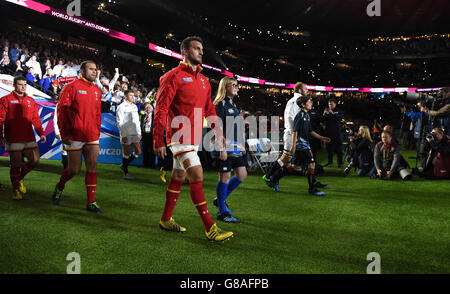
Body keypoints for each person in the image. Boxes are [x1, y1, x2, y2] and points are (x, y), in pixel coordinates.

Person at [153, 36, 233, 242]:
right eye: (197, 48)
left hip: (194, 138)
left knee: (178, 177)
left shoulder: (205, 81)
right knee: (197, 175)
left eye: (202, 49)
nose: (201, 52)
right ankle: (210, 228)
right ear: (185, 52)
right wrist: (158, 140)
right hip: (178, 137)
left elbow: (210, 110)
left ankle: (165, 219)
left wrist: (219, 134)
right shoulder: (172, 76)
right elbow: (160, 109)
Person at [51, 60, 104, 213]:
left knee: (92, 167)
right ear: (82, 71)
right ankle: (60, 186)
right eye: (91, 69)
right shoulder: (71, 87)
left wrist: (97, 129)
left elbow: (97, 113)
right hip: (74, 135)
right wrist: (64, 133)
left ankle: (91, 202)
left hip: (92, 135)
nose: (94, 72)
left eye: (96, 69)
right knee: (73, 170)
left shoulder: (96, 90)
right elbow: (61, 111)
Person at [0, 76, 46, 200]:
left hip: (29, 136)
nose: (23, 87)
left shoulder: (31, 100)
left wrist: (41, 132)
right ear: (14, 85)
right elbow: (0, 119)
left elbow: (35, 118)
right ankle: (15, 190)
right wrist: (1, 136)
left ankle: (18, 179)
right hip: (13, 137)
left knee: (35, 160)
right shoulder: (5, 99)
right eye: (20, 84)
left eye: (25, 85)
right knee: (15, 164)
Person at [262, 82, 310, 191]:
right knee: (287, 158)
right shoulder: (294, 102)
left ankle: (273, 177)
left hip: (294, 134)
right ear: (299, 91)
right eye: (305, 89)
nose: (307, 90)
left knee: (291, 161)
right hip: (292, 134)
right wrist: (295, 133)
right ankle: (269, 176)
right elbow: (290, 118)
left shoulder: (298, 102)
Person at [212, 76, 247, 223]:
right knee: (224, 177)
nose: (236, 88)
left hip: (235, 146)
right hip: (223, 146)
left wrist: (242, 144)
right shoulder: (219, 104)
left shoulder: (233, 105)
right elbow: (216, 127)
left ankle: (220, 199)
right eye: (233, 85)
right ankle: (222, 212)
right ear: (224, 87)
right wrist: (222, 148)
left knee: (242, 175)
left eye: (237, 85)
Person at [290, 95, 331, 196]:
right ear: (303, 104)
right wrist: (294, 146)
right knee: (311, 164)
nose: (311, 103)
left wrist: (321, 137)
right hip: (301, 145)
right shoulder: (299, 116)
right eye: (309, 101)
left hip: (304, 144)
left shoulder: (306, 115)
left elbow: (310, 131)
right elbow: (294, 131)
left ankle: (274, 177)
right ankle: (311, 189)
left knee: (295, 166)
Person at [116, 90, 142, 179]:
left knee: (138, 151)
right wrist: (123, 135)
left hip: (134, 132)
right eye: (130, 95)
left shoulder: (134, 106)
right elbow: (120, 122)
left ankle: (124, 164)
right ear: (125, 96)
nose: (132, 97)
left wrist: (139, 132)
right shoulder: (121, 107)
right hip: (126, 133)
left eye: (133, 95)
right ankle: (126, 173)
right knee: (126, 153)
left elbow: (137, 121)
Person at [323, 98, 344, 168]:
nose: (330, 105)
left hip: (337, 133)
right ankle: (330, 162)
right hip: (328, 133)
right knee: (329, 149)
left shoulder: (339, 111)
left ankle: (340, 163)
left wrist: (332, 114)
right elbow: (323, 120)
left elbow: (339, 118)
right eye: (329, 104)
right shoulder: (326, 110)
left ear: (335, 104)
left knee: (339, 149)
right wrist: (324, 114)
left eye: (331, 104)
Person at [140, 101, 155, 168]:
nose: (148, 109)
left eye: (149, 107)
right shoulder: (143, 116)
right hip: (144, 134)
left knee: (152, 150)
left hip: (151, 135)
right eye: (146, 108)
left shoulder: (154, 116)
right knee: (145, 150)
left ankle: (152, 165)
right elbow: (141, 125)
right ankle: (145, 164)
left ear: (152, 109)